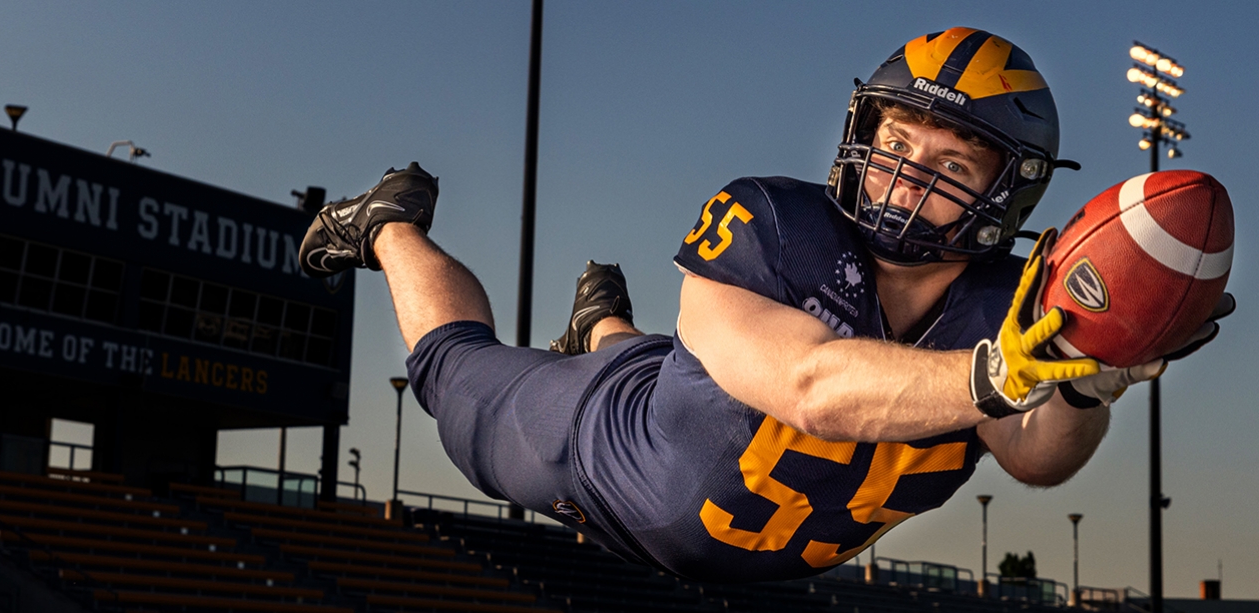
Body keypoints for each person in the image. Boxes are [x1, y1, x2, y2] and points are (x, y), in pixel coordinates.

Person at [298, 27, 1230, 583]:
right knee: (451, 366)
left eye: (950, 168)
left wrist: (1084, 380)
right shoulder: (772, 223)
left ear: (1007, 195)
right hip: (604, 449)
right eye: (899, 142)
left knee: (649, 362)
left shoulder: (1010, 307)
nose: (907, 181)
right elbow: (811, 384)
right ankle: (392, 224)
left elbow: (1036, 458)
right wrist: (1001, 375)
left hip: (735, 512)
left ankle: (601, 326)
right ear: (862, 129)